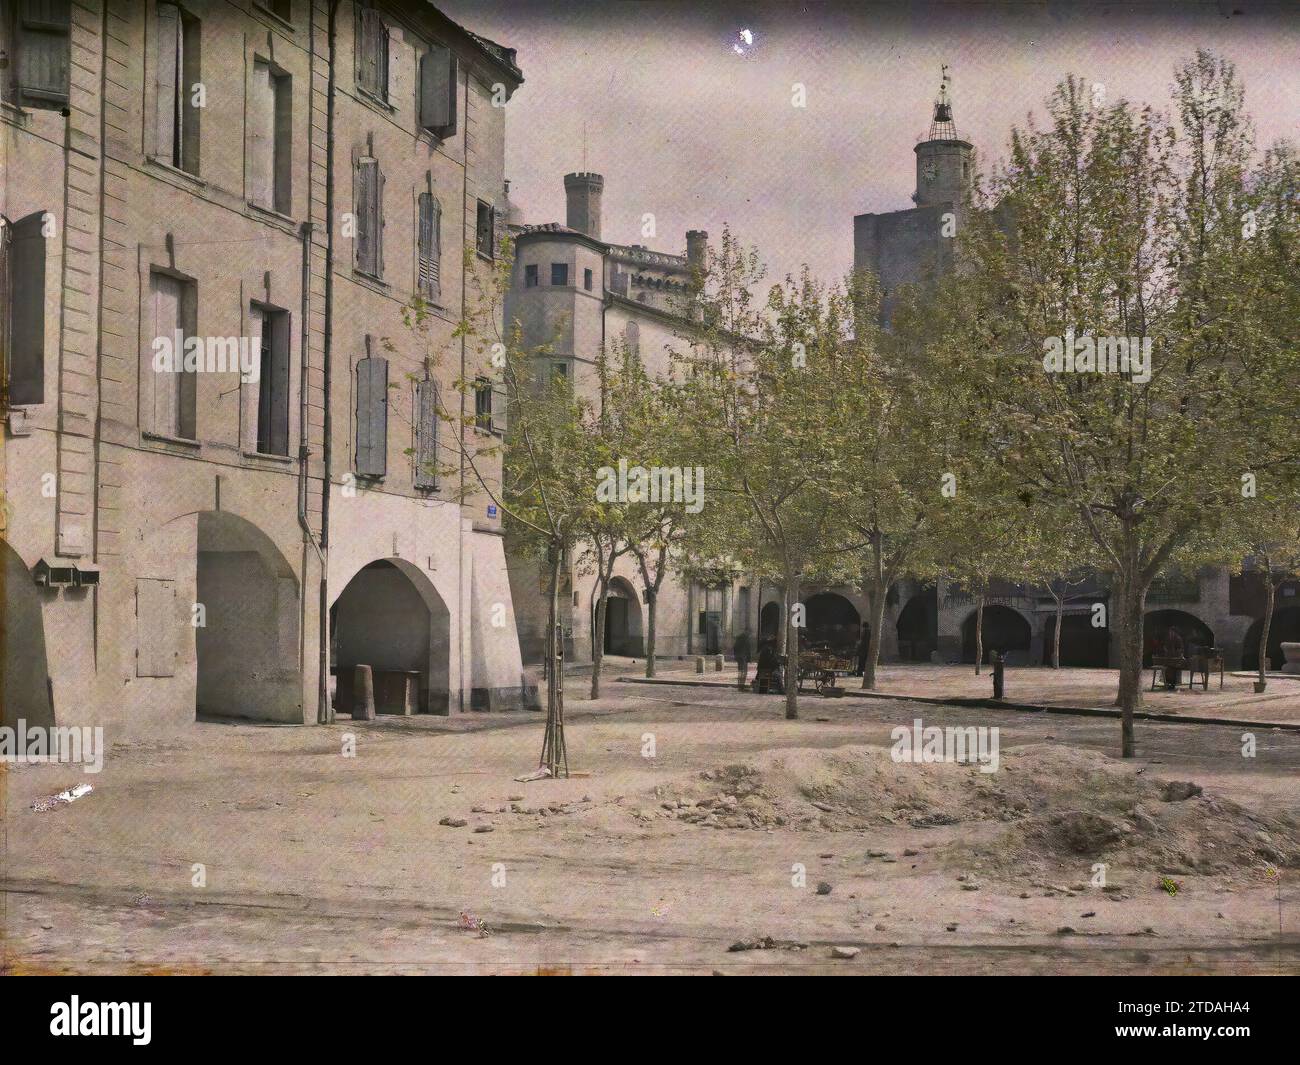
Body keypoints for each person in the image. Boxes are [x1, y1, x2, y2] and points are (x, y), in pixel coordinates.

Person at [1163, 626, 1185, 690]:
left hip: (1176, 658)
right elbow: (1165, 646)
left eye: (1171, 631)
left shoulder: (1178, 638)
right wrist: (1166, 649)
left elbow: (1181, 649)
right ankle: (1168, 683)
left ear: (1174, 632)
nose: (1170, 633)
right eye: (1170, 631)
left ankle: (1173, 684)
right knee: (1167, 668)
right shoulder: (1168, 638)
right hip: (1169, 657)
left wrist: (1176, 652)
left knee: (1173, 668)